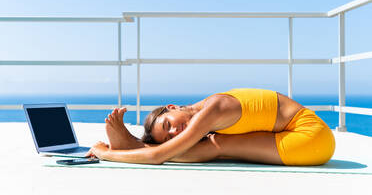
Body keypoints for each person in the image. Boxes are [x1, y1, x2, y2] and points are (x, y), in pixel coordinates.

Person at [86, 88, 335, 166]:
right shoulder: (207, 109)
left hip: (310, 138)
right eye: (168, 136)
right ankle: (134, 145)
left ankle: (133, 145)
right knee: (214, 142)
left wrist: (106, 153)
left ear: (172, 107)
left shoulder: (214, 108)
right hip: (298, 136)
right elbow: (165, 150)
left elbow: (161, 156)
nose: (176, 132)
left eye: (168, 125)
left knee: (219, 144)